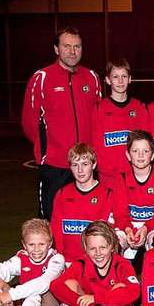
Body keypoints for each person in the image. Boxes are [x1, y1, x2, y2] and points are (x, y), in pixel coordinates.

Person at [21, 26, 102, 219]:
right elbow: (29, 123)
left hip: (87, 164)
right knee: (51, 220)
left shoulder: (91, 78)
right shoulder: (42, 78)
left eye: (77, 46)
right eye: (67, 46)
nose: (72, 51)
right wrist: (49, 151)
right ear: (56, 49)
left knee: (89, 220)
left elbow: (99, 120)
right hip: (55, 165)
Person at [48, 221, 140, 306]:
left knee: (119, 288)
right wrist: (85, 304)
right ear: (85, 248)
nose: (98, 253)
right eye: (92, 248)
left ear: (112, 246)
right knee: (69, 284)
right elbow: (55, 285)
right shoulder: (82, 263)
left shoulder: (122, 264)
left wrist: (97, 299)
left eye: (103, 247)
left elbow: (135, 291)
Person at [113, 130, 154, 272]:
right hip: (128, 226)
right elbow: (119, 213)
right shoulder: (121, 179)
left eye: (145, 151)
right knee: (112, 242)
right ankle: (117, 280)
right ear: (128, 155)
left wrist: (146, 228)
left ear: (153, 155)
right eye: (135, 151)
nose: (141, 155)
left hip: (152, 226)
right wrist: (128, 229)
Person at [50, 143, 120, 263]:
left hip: (94, 260)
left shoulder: (108, 195)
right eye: (75, 165)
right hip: (67, 261)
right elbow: (56, 229)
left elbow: (105, 235)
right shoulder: (62, 194)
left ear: (94, 165)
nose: (80, 170)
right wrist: (60, 259)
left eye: (85, 164)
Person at [90, 59, 148, 186]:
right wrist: (105, 169)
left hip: (134, 175)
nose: (120, 81)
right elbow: (96, 144)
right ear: (108, 80)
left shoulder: (139, 107)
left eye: (124, 76)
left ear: (130, 79)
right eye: (115, 77)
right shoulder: (99, 109)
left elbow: (145, 144)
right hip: (108, 177)